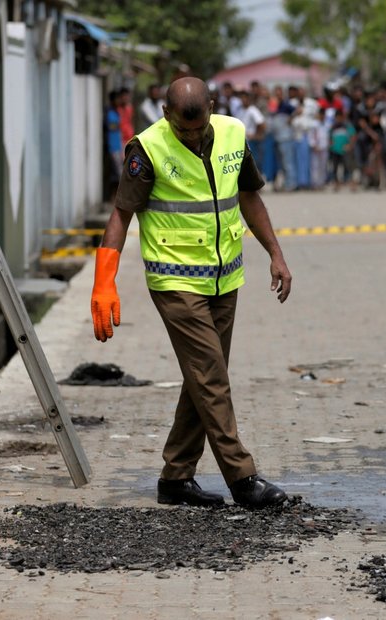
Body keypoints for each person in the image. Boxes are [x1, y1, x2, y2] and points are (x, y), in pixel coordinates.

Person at [90, 77, 291, 509]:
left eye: (198, 129)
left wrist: (275, 252)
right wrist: (104, 281)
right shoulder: (147, 148)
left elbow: (249, 196)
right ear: (166, 115)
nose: (192, 136)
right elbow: (121, 214)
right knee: (212, 377)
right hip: (175, 281)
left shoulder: (234, 133)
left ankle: (176, 478)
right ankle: (242, 478)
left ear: (212, 108)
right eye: (183, 130)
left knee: (202, 379)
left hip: (224, 279)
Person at [328, 109, 357, 192]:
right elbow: (330, 137)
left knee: (349, 168)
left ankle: (352, 184)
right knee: (335, 168)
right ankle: (337, 185)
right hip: (335, 150)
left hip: (345, 150)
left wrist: (350, 146)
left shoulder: (347, 126)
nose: (338, 119)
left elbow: (353, 136)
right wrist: (331, 145)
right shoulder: (333, 127)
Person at [105, 90, 124, 199]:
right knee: (117, 173)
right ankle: (113, 197)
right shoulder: (110, 112)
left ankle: (115, 197)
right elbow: (111, 127)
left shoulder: (116, 111)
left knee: (117, 172)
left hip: (118, 145)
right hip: (112, 146)